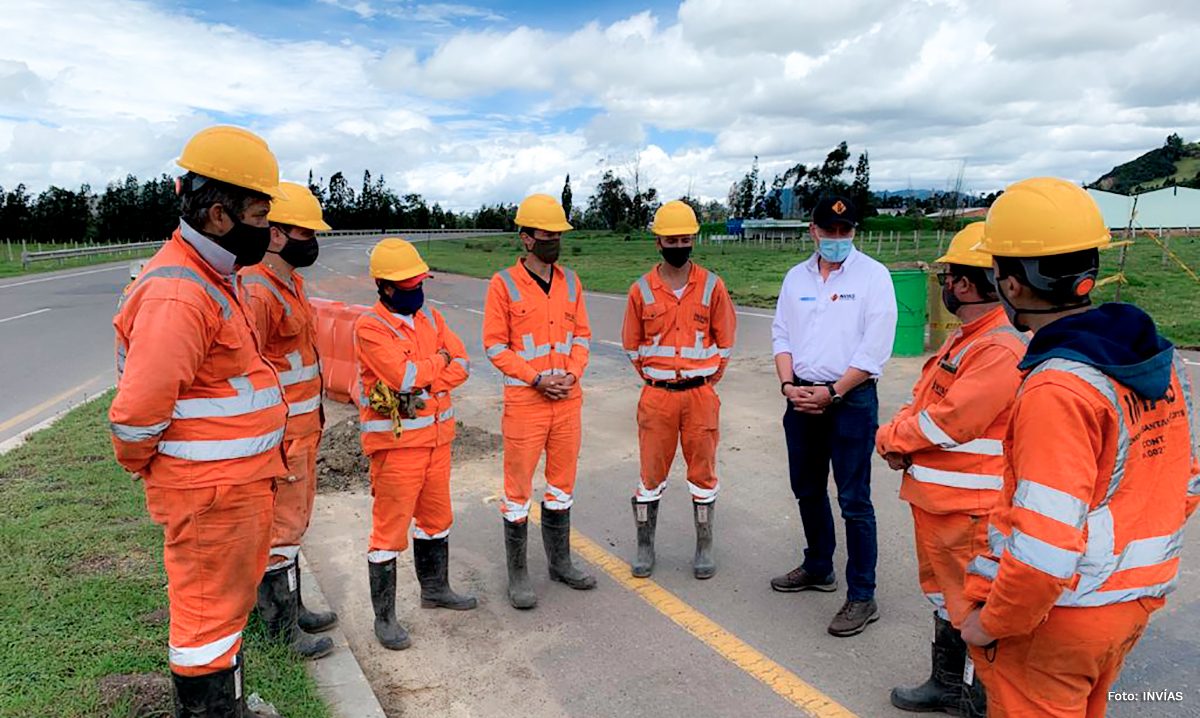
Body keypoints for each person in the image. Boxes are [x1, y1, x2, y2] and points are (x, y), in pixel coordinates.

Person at [960, 177, 1199, 718]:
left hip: (1059, 614)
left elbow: (1044, 552)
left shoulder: (1056, 388)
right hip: (1129, 603)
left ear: (1012, 285)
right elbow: (1182, 483)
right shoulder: (1160, 362)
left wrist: (990, 622)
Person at [110, 126, 290, 715]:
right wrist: (162, 472)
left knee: (224, 612)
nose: (269, 230)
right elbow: (137, 419)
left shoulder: (213, 274)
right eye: (261, 216)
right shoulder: (181, 294)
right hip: (210, 494)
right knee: (207, 622)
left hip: (228, 487)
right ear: (219, 214)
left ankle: (229, 708)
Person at [877, 222, 1027, 714]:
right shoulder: (968, 339)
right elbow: (922, 402)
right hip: (939, 505)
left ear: (962, 285)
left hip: (969, 511)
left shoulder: (998, 348)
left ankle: (977, 702)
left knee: (974, 610)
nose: (946, 286)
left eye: (949, 276)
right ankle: (947, 684)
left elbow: (950, 421)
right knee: (947, 601)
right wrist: (900, 438)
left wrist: (894, 439)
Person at [769, 195, 898, 637]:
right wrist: (789, 387)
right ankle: (818, 565)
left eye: (846, 232)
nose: (838, 239)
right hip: (800, 397)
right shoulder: (795, 278)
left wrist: (833, 391)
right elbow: (782, 333)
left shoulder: (874, 277)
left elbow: (875, 347)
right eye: (830, 231)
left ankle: (862, 595)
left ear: (854, 232)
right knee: (806, 488)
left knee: (854, 501)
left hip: (851, 401)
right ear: (813, 230)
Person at [356, 238, 477, 651]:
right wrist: (438, 364)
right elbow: (402, 377)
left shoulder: (431, 318)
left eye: (419, 281)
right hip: (398, 448)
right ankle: (385, 619)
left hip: (437, 443)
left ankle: (435, 589)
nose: (417, 289)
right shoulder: (370, 327)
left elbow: (463, 363)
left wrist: (433, 370)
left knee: (437, 520)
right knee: (388, 534)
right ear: (385, 286)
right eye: (409, 283)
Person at [483, 194, 596, 610]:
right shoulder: (503, 284)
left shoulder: (572, 281)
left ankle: (560, 562)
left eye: (558, 235)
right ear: (526, 238)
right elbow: (494, 346)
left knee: (562, 485)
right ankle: (518, 575)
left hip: (567, 398)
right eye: (547, 235)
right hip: (527, 402)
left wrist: (573, 372)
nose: (554, 242)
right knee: (518, 491)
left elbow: (582, 336)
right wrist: (535, 378)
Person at [239, 181, 336, 661]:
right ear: (275, 234)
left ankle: (293, 608)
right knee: (281, 528)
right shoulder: (257, 290)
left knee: (295, 523)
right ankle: (279, 630)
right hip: (281, 437)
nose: (312, 241)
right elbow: (246, 370)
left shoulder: (289, 282)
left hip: (303, 430)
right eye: (304, 231)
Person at [621, 200, 737, 579]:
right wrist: (659, 378)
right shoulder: (640, 289)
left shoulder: (712, 286)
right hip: (657, 396)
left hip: (701, 395)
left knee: (703, 474)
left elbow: (725, 343)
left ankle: (704, 547)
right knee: (650, 475)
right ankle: (644, 546)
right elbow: (632, 346)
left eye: (685, 239)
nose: (678, 245)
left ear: (694, 240)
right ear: (658, 242)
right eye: (671, 239)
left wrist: (701, 379)